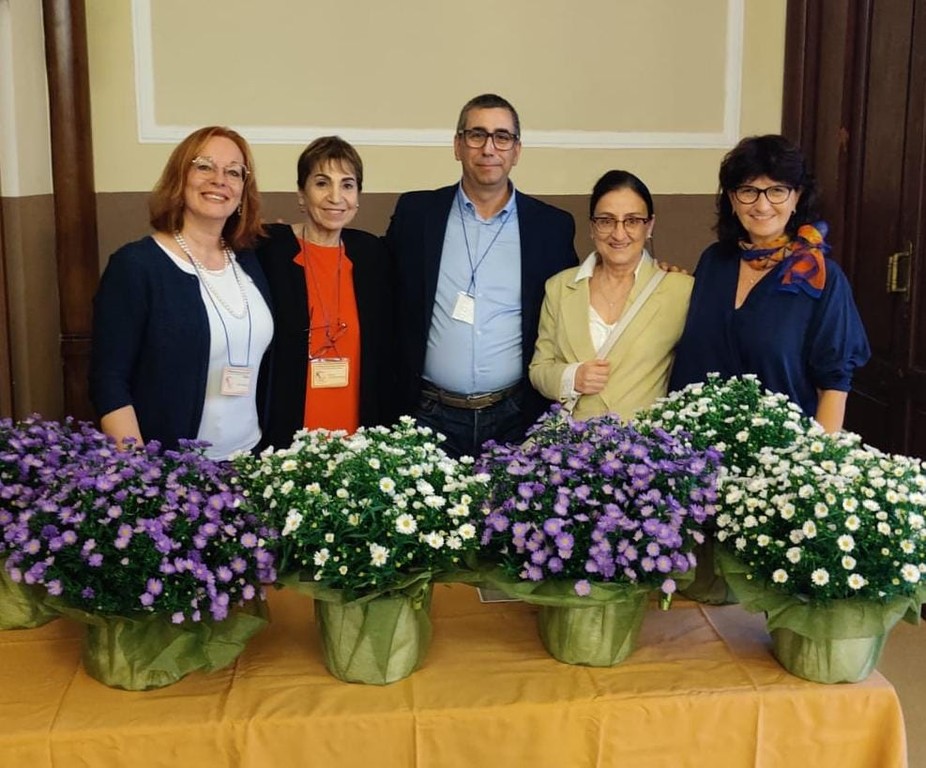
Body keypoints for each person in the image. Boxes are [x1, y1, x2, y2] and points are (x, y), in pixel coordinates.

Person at [386, 93, 577, 458]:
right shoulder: (416, 213)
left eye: (502, 137)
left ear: (516, 150)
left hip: (515, 416)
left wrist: (653, 269)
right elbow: (375, 274)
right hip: (428, 415)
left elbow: (581, 296)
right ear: (458, 145)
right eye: (477, 135)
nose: (489, 148)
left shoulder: (550, 227)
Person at [90, 126, 274, 459]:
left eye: (233, 172)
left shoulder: (249, 259)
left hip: (251, 460)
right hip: (174, 472)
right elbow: (109, 380)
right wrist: (140, 473)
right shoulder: (138, 266)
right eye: (204, 166)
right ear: (180, 177)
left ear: (243, 191)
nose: (219, 180)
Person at [669, 134, 870, 432]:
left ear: (797, 197)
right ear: (732, 199)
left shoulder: (821, 278)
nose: (762, 205)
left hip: (778, 452)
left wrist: (820, 456)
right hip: (693, 447)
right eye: (748, 191)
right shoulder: (714, 262)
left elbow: (833, 387)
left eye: (777, 190)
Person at [255, 137, 394, 449]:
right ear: (301, 193)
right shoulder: (269, 249)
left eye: (347, 185)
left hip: (357, 436)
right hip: (286, 433)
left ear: (357, 196)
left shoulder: (371, 255)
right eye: (322, 183)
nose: (335, 197)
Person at [530, 170, 693, 421]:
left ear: (649, 226)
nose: (618, 234)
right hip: (573, 440)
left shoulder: (680, 290)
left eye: (632, 221)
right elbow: (539, 369)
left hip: (645, 441)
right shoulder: (560, 287)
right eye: (606, 221)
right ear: (593, 227)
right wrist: (572, 377)